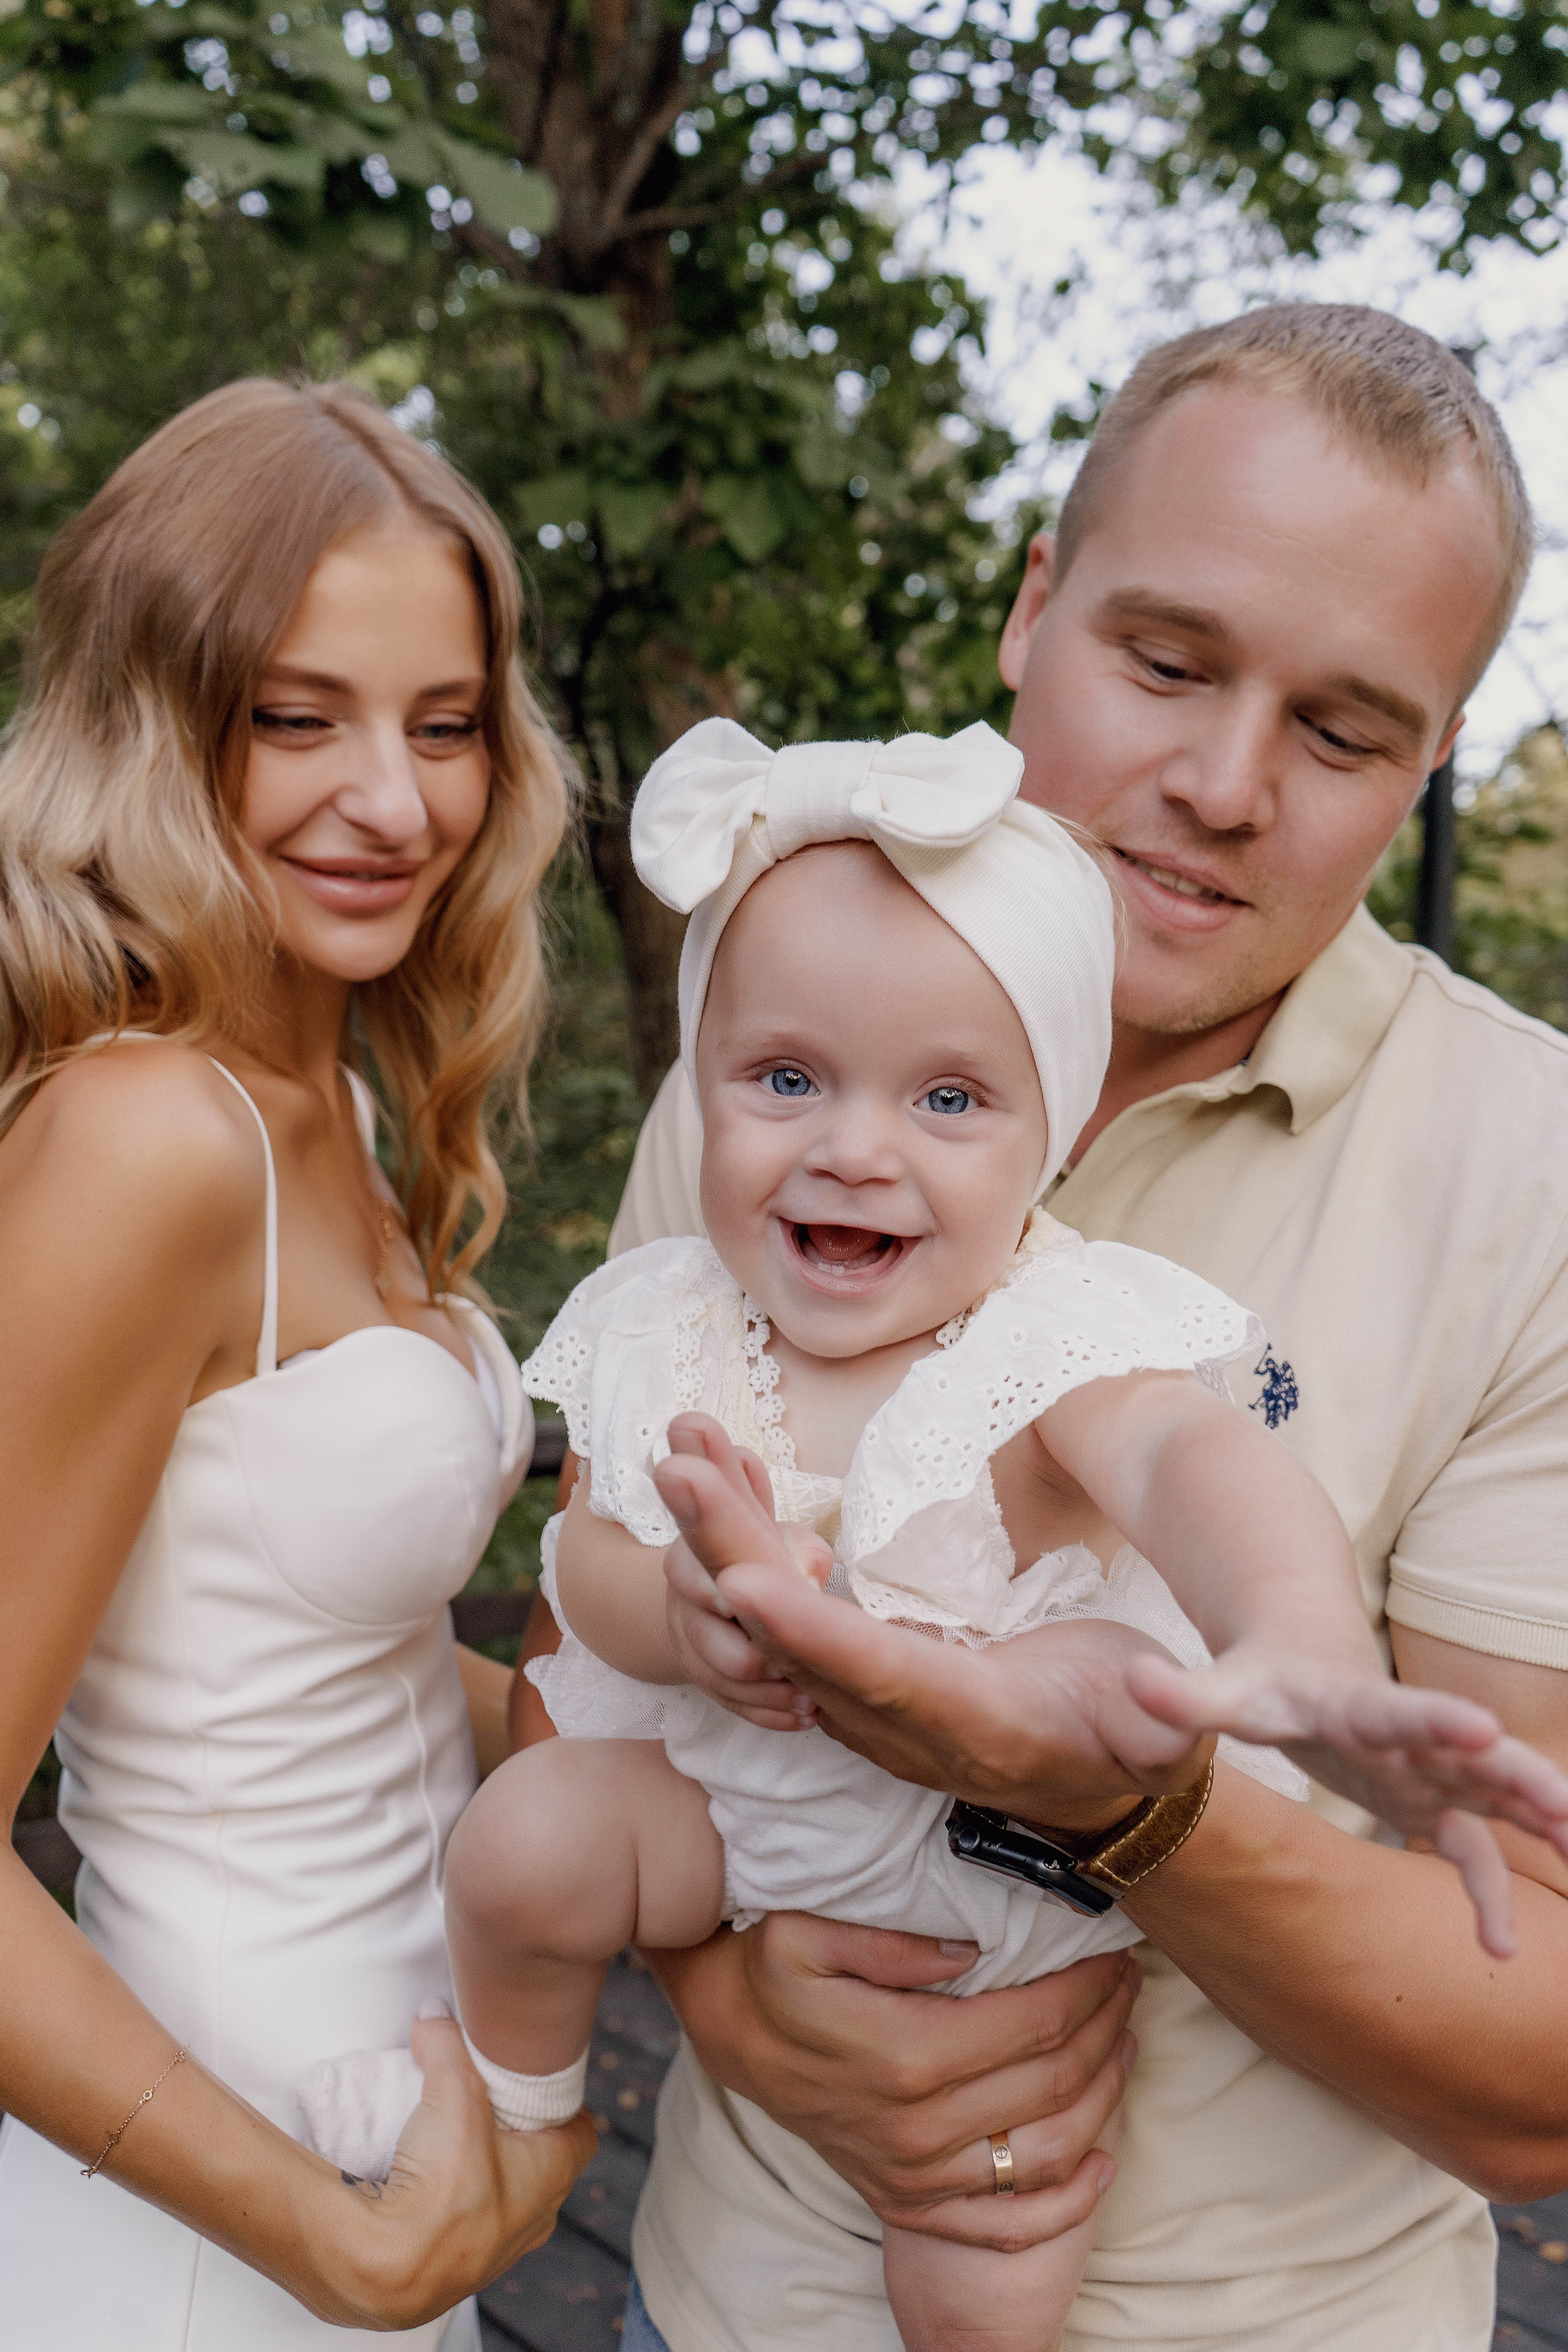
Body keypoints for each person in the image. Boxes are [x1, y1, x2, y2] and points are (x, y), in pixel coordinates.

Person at [530, 304, 1568, 2351]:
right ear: (1032, 606)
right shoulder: (775, 1058)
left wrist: (1125, 1796)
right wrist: (745, 2007)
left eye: (1346, 731)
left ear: (1440, 750)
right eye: (1166, 663)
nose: (1222, 785)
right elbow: (579, 1650)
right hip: (718, 2306)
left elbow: (1539, 2069)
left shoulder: (1534, 1175)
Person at [0, 378, 594, 2348]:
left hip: (396, 2131)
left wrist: (723, 1746)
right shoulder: (155, 1138)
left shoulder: (331, 1084)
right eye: (294, 714)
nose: (399, 801)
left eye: (444, 726)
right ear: (154, 723)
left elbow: (307, 1650)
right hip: (215, 2203)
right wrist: (322, 2243)